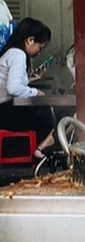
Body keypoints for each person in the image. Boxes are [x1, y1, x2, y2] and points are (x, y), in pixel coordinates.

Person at [0, 17, 55, 159]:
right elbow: (13, 88)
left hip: (4, 110)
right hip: (5, 113)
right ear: (30, 40)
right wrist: (36, 92)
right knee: (54, 114)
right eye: (40, 47)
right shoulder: (18, 54)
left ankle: (42, 146)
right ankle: (43, 148)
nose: (39, 52)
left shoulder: (10, 52)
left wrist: (29, 79)